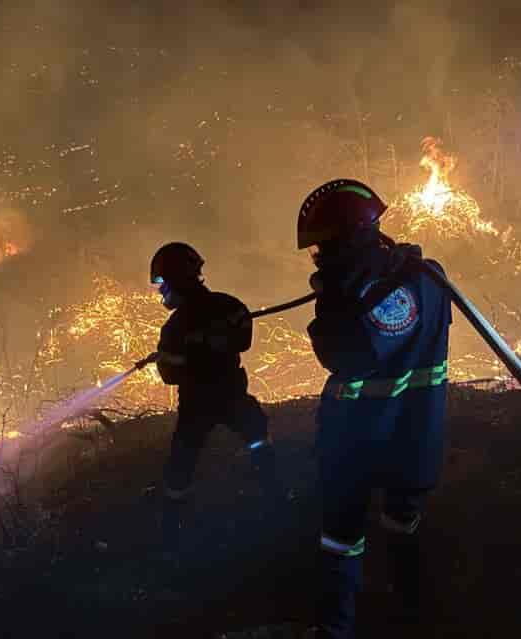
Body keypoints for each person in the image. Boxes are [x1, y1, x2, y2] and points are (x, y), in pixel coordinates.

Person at [297, 179, 452, 637]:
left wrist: (332, 301)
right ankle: (411, 611)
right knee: (401, 523)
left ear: (352, 237)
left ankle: (337, 626)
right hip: (412, 437)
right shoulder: (417, 275)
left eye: (324, 246)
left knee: (342, 535)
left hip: (364, 440)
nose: (318, 257)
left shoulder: (399, 290)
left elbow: (347, 356)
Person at [147, 242, 280, 544]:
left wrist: (184, 357)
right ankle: (274, 494)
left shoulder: (175, 327)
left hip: (197, 405)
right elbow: (243, 341)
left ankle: (171, 526)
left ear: (176, 281)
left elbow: (169, 376)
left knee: (182, 460)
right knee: (257, 434)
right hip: (233, 394)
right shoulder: (229, 306)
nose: (161, 291)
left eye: (163, 284)